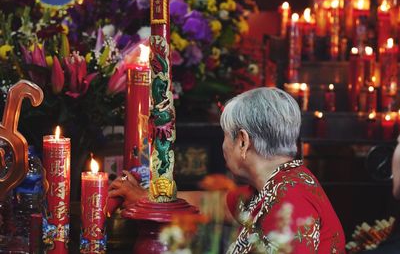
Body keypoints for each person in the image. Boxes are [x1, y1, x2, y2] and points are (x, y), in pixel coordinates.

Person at [108, 87, 346, 253]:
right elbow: (214, 203)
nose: (224, 146)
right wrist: (148, 197)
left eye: (225, 137)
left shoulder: (289, 202)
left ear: (242, 142)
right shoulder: (275, 185)